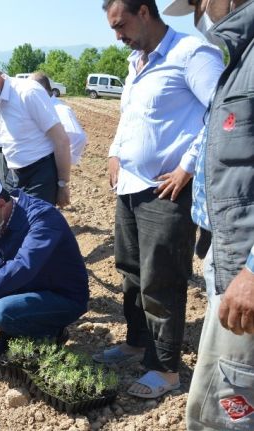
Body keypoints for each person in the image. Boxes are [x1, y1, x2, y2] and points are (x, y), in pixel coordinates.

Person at [93, 0, 224, 399]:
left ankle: (165, 369)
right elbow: (129, 117)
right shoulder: (137, 63)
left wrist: (187, 165)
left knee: (160, 279)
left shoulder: (191, 54)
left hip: (166, 191)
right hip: (130, 186)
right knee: (130, 271)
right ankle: (136, 341)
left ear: (145, 12)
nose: (118, 36)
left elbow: (219, 113)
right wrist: (115, 151)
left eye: (121, 25)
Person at [163, 0, 254, 429]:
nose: (202, 11)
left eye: (200, 1)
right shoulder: (241, 56)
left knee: (233, 403)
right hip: (229, 250)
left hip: (247, 265)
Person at [0, 175, 89, 360]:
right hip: (29, 282)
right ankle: (11, 330)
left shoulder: (43, 218)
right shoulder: (2, 218)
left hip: (61, 295)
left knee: (0, 311)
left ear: (0, 203)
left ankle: (51, 333)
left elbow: (24, 266)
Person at [0, 61, 72, 207]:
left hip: (39, 173)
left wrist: (63, 184)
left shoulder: (27, 93)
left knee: (37, 224)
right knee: (17, 224)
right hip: (13, 174)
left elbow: (61, 140)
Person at [30, 72, 88, 165]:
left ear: (41, 90)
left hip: (48, 168)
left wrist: (64, 163)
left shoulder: (60, 109)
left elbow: (79, 138)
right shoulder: (45, 107)